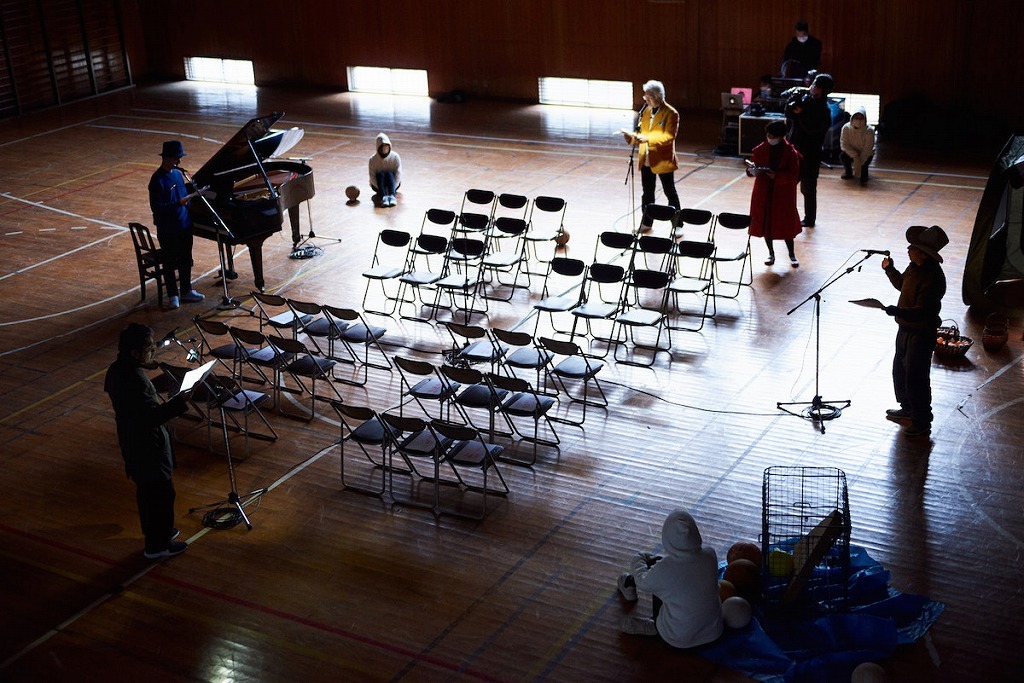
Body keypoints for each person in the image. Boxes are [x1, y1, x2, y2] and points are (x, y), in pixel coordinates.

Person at [104, 323, 190, 558]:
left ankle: (158, 532)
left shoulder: (118, 370)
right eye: (150, 348)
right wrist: (180, 401)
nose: (153, 351)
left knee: (149, 493)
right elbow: (149, 418)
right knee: (160, 495)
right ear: (135, 353)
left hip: (134, 443)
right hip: (146, 446)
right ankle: (157, 545)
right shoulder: (134, 379)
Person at [616, 509, 724, 648]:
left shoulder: (666, 569)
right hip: (714, 632)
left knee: (657, 577)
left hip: (678, 639)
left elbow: (642, 582)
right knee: (665, 577)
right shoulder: (710, 554)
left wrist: (639, 558)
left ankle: (654, 626)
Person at [880, 226, 949, 437]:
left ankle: (921, 421)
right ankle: (908, 409)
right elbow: (902, 285)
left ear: (922, 253)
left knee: (916, 378)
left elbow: (922, 311)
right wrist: (890, 270)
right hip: (905, 329)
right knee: (900, 372)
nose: (908, 249)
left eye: (912, 247)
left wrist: (896, 311)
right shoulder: (914, 267)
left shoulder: (933, 278)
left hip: (920, 333)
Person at [148, 140, 205, 310]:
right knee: (169, 262)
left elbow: (183, 195)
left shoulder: (178, 174)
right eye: (176, 158)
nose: (178, 162)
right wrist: (178, 203)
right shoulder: (157, 180)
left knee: (186, 259)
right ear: (166, 157)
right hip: (168, 228)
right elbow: (156, 208)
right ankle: (173, 295)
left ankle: (186, 290)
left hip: (184, 225)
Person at [623, 80, 680, 231]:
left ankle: (677, 224)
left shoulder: (671, 113)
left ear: (659, 96)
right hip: (646, 158)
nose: (646, 100)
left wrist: (648, 139)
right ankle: (647, 222)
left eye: (649, 97)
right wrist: (632, 137)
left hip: (662, 159)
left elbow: (669, 137)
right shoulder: (646, 111)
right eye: (645, 97)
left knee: (670, 192)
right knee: (647, 193)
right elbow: (643, 133)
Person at [746, 120, 803, 267]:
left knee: (785, 223)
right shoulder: (760, 149)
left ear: (781, 136)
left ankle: (792, 254)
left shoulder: (791, 153)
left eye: (773, 135)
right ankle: (771, 253)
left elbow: (794, 175)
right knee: (766, 222)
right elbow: (752, 167)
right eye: (768, 134)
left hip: (783, 192)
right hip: (764, 190)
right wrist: (752, 169)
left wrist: (776, 176)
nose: (769, 137)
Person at [786, 72, 834, 227]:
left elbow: (811, 130)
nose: (811, 87)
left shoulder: (824, 110)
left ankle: (809, 219)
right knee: (787, 184)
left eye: (815, 85)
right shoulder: (806, 99)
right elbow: (789, 115)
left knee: (808, 189)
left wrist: (800, 115)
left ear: (821, 90)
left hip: (810, 153)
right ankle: (786, 214)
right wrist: (792, 100)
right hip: (794, 149)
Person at [840, 108, 876, 184]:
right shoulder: (846, 128)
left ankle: (864, 170)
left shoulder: (869, 130)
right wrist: (855, 156)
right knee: (843, 155)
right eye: (856, 118)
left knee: (863, 177)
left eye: (861, 118)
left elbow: (868, 148)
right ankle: (848, 172)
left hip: (866, 154)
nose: (859, 121)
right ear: (852, 118)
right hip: (852, 152)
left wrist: (860, 163)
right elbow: (844, 144)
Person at [368, 132, 402, 207]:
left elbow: (398, 174)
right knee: (381, 174)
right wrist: (382, 189)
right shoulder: (372, 160)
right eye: (382, 147)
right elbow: (372, 176)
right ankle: (384, 197)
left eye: (386, 146)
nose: (384, 149)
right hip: (378, 186)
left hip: (393, 184)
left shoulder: (395, 157)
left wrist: (392, 188)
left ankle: (392, 196)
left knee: (389, 173)